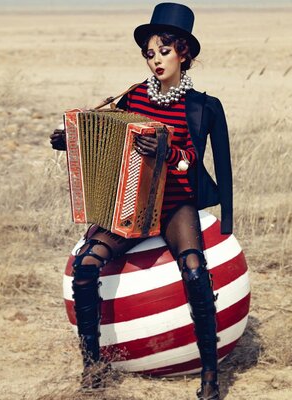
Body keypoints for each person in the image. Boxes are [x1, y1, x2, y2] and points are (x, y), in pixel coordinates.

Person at [49, 3, 232, 399]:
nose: (156, 61)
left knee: (195, 270)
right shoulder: (133, 96)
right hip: (133, 203)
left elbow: (192, 159)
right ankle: (92, 366)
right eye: (150, 54)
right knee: (86, 264)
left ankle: (210, 374)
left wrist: (167, 153)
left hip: (175, 202)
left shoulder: (200, 106)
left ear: (183, 53)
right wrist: (72, 141)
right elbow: (106, 136)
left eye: (164, 52)